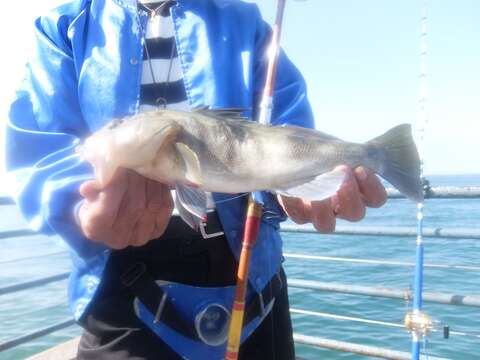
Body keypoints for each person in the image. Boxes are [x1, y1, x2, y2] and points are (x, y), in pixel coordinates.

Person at [5, 0, 387, 359]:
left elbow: (288, 128)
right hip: (118, 273)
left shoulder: (246, 22)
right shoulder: (65, 26)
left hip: (250, 269)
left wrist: (299, 190)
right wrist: (79, 202)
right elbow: (41, 148)